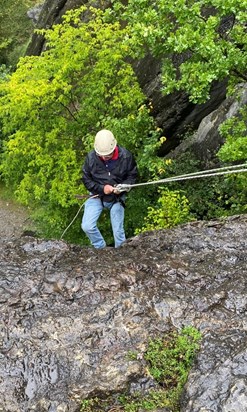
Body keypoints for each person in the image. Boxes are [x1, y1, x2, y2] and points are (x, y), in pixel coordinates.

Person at [81, 129, 138, 249]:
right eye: (101, 155)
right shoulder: (91, 158)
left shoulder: (126, 157)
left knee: (118, 233)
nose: (104, 157)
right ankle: (101, 248)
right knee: (87, 226)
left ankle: (121, 255)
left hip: (116, 198)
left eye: (107, 155)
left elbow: (132, 176)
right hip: (96, 195)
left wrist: (123, 188)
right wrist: (102, 188)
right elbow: (86, 179)